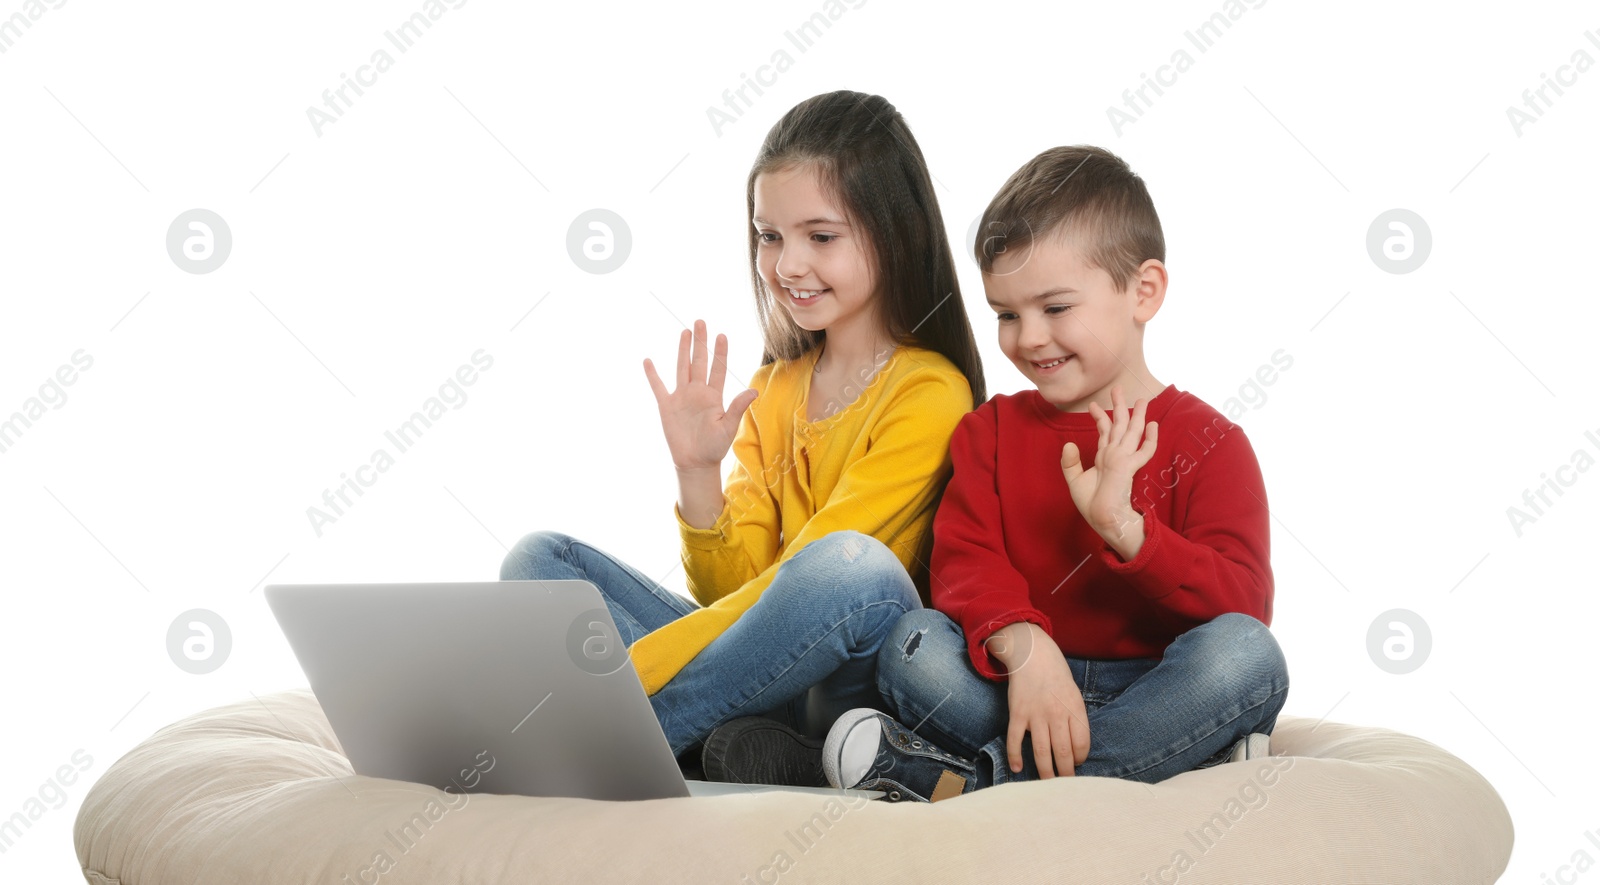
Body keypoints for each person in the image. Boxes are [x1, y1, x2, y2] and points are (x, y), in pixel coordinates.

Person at [499, 90, 986, 786]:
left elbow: (819, 587)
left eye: (821, 236)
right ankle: (733, 744)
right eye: (769, 235)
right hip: (754, 674)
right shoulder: (777, 387)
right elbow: (740, 588)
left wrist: (627, 675)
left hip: (846, 684)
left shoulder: (930, 390)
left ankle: (614, 734)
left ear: (894, 234)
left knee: (849, 565)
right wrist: (698, 473)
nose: (787, 265)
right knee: (540, 559)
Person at [818, 145, 1289, 802]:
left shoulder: (1212, 441)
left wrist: (1128, 530)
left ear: (1143, 291)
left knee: (1247, 655)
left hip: (1156, 685)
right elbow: (964, 563)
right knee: (911, 642)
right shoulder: (990, 431)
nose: (1029, 338)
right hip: (1017, 684)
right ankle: (1156, 764)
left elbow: (1241, 605)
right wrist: (1029, 650)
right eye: (1006, 314)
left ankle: (978, 783)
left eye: (1055, 308)